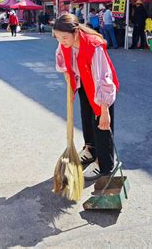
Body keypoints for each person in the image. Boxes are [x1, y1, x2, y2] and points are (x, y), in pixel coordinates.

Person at [54, 14, 119, 181]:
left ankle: (104, 164)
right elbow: (62, 58)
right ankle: (91, 149)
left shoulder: (93, 45)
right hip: (84, 82)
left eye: (65, 37)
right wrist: (68, 74)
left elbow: (103, 77)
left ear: (75, 32)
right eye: (58, 38)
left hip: (100, 87)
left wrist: (104, 109)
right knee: (87, 118)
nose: (62, 42)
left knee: (101, 124)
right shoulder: (65, 44)